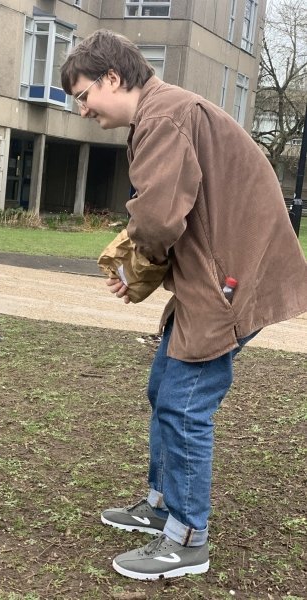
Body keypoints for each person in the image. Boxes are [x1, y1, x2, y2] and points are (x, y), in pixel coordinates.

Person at [61, 29, 307, 581]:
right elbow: (177, 214)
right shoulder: (166, 112)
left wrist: (133, 267)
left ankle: (188, 538)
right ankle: (162, 505)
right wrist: (145, 263)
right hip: (215, 275)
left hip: (231, 281)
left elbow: (157, 219)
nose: (81, 109)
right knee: (164, 389)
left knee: (185, 403)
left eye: (83, 95)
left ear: (113, 78)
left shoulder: (163, 117)